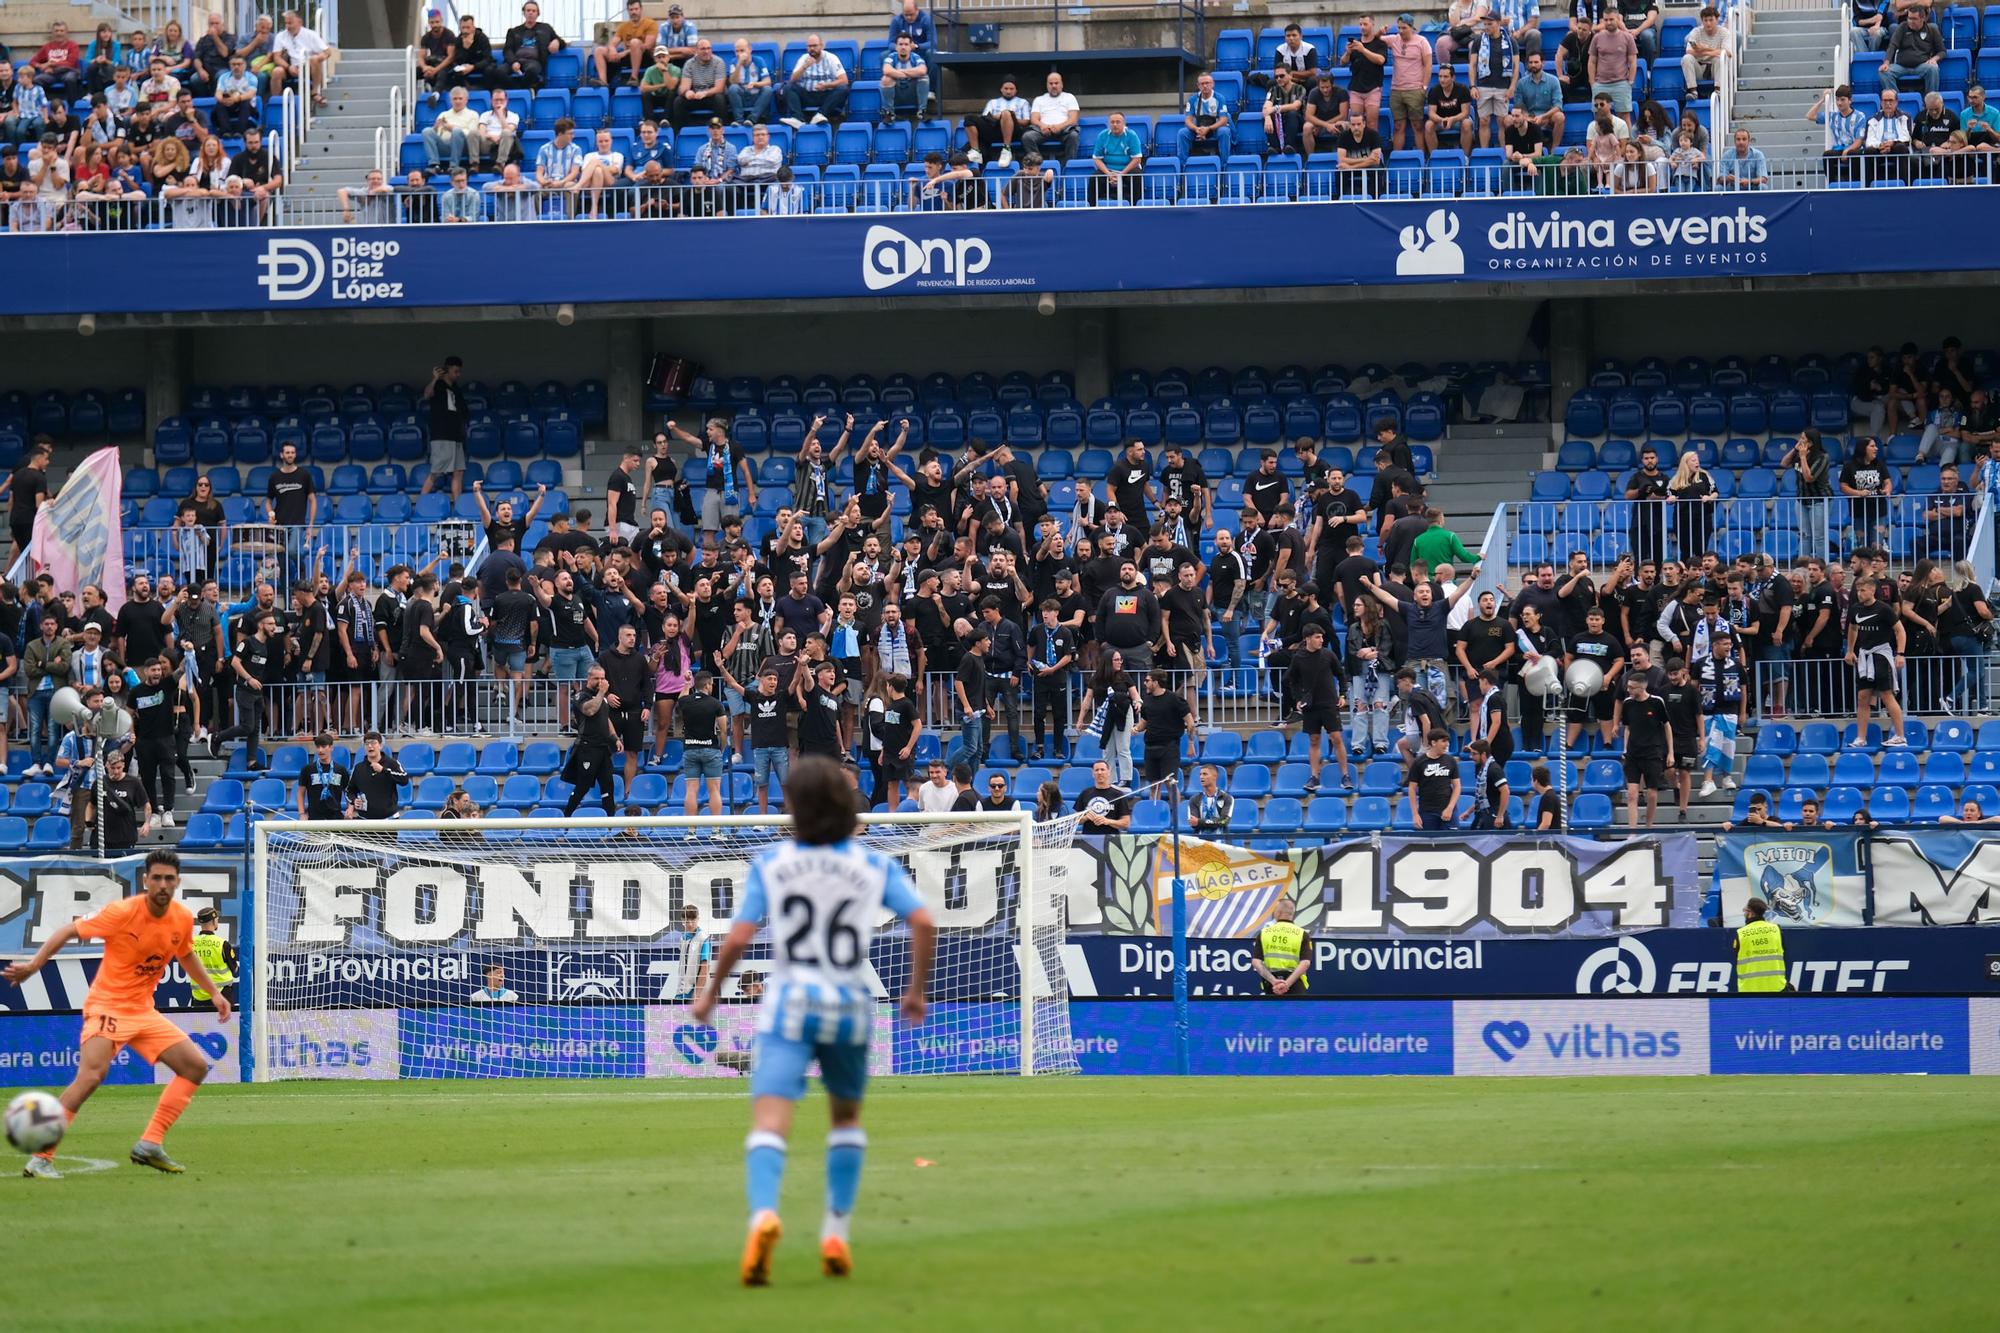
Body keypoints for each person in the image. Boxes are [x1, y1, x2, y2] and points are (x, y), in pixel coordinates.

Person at [689, 756, 938, 1285]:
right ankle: (834, 1233)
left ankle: (763, 1216)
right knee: (845, 1120)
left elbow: (737, 938)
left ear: (794, 808)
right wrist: (914, 991)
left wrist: (710, 995)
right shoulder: (874, 865)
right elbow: (921, 920)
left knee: (770, 1124)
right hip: (849, 1005)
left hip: (789, 1005)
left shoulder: (773, 863)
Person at [4, 850, 232, 1177]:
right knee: (91, 1076)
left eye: (169, 879)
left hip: (143, 1011)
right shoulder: (122, 912)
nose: (163, 884)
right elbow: (68, 932)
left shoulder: (181, 918)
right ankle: (41, 1157)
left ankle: (150, 1143)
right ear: (145, 880)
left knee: (194, 1066)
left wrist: (214, 993)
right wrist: (34, 965)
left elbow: (186, 955)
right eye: (157, 878)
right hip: (107, 1005)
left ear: (177, 882)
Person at [561, 664, 619, 816]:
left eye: (602, 678)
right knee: (583, 786)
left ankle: (610, 824)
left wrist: (614, 738)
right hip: (587, 748)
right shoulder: (581, 696)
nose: (600, 681)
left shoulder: (603, 698)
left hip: (603, 748)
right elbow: (590, 710)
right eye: (596, 678)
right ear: (588, 678)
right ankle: (565, 818)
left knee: (608, 787)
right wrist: (601, 693)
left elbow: (606, 719)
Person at [1251, 897, 1311, 997]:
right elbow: (1305, 963)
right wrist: (1286, 984)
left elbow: (1256, 962)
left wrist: (1274, 982)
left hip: (1271, 986)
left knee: (1273, 1012)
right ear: (1292, 914)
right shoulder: (1302, 934)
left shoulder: (1264, 933)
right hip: (1296, 984)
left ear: (1278, 913)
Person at [1405, 728, 1461, 831]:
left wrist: (1450, 808)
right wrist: (1415, 814)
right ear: (1433, 742)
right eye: (1443, 741)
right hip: (1427, 812)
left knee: (1452, 844)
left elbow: (1457, 786)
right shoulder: (1419, 762)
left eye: (1447, 741)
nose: (1447, 744)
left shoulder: (1451, 761)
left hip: (1448, 811)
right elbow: (1412, 788)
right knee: (1427, 846)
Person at [1732, 895, 1790, 994]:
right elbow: (1784, 951)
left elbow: (1736, 955)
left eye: (1745, 910)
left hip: (1749, 989)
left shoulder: (1741, 933)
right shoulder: (1776, 929)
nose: (1744, 913)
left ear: (1750, 913)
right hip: (1776, 987)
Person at [187, 905, 238, 1009]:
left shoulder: (190, 943)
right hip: (222, 995)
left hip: (198, 996)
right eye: (217, 918)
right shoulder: (222, 944)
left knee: (199, 1025)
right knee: (225, 1025)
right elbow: (235, 969)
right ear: (214, 921)